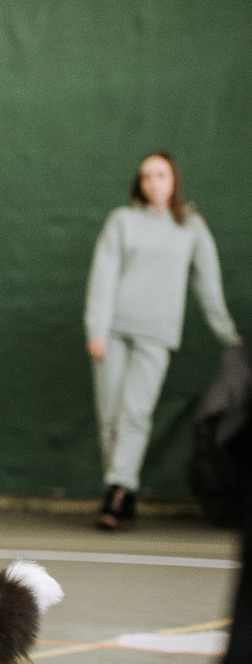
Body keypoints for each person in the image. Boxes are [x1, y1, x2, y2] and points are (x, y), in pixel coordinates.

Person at [85, 150, 241, 530]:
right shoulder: (121, 221)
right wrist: (97, 329)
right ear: (140, 184)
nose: (154, 182)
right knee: (111, 416)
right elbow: (103, 275)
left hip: (157, 335)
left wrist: (230, 336)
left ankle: (118, 491)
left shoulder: (191, 225)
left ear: (174, 180)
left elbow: (208, 285)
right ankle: (123, 488)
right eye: (147, 176)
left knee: (135, 413)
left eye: (161, 175)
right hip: (114, 332)